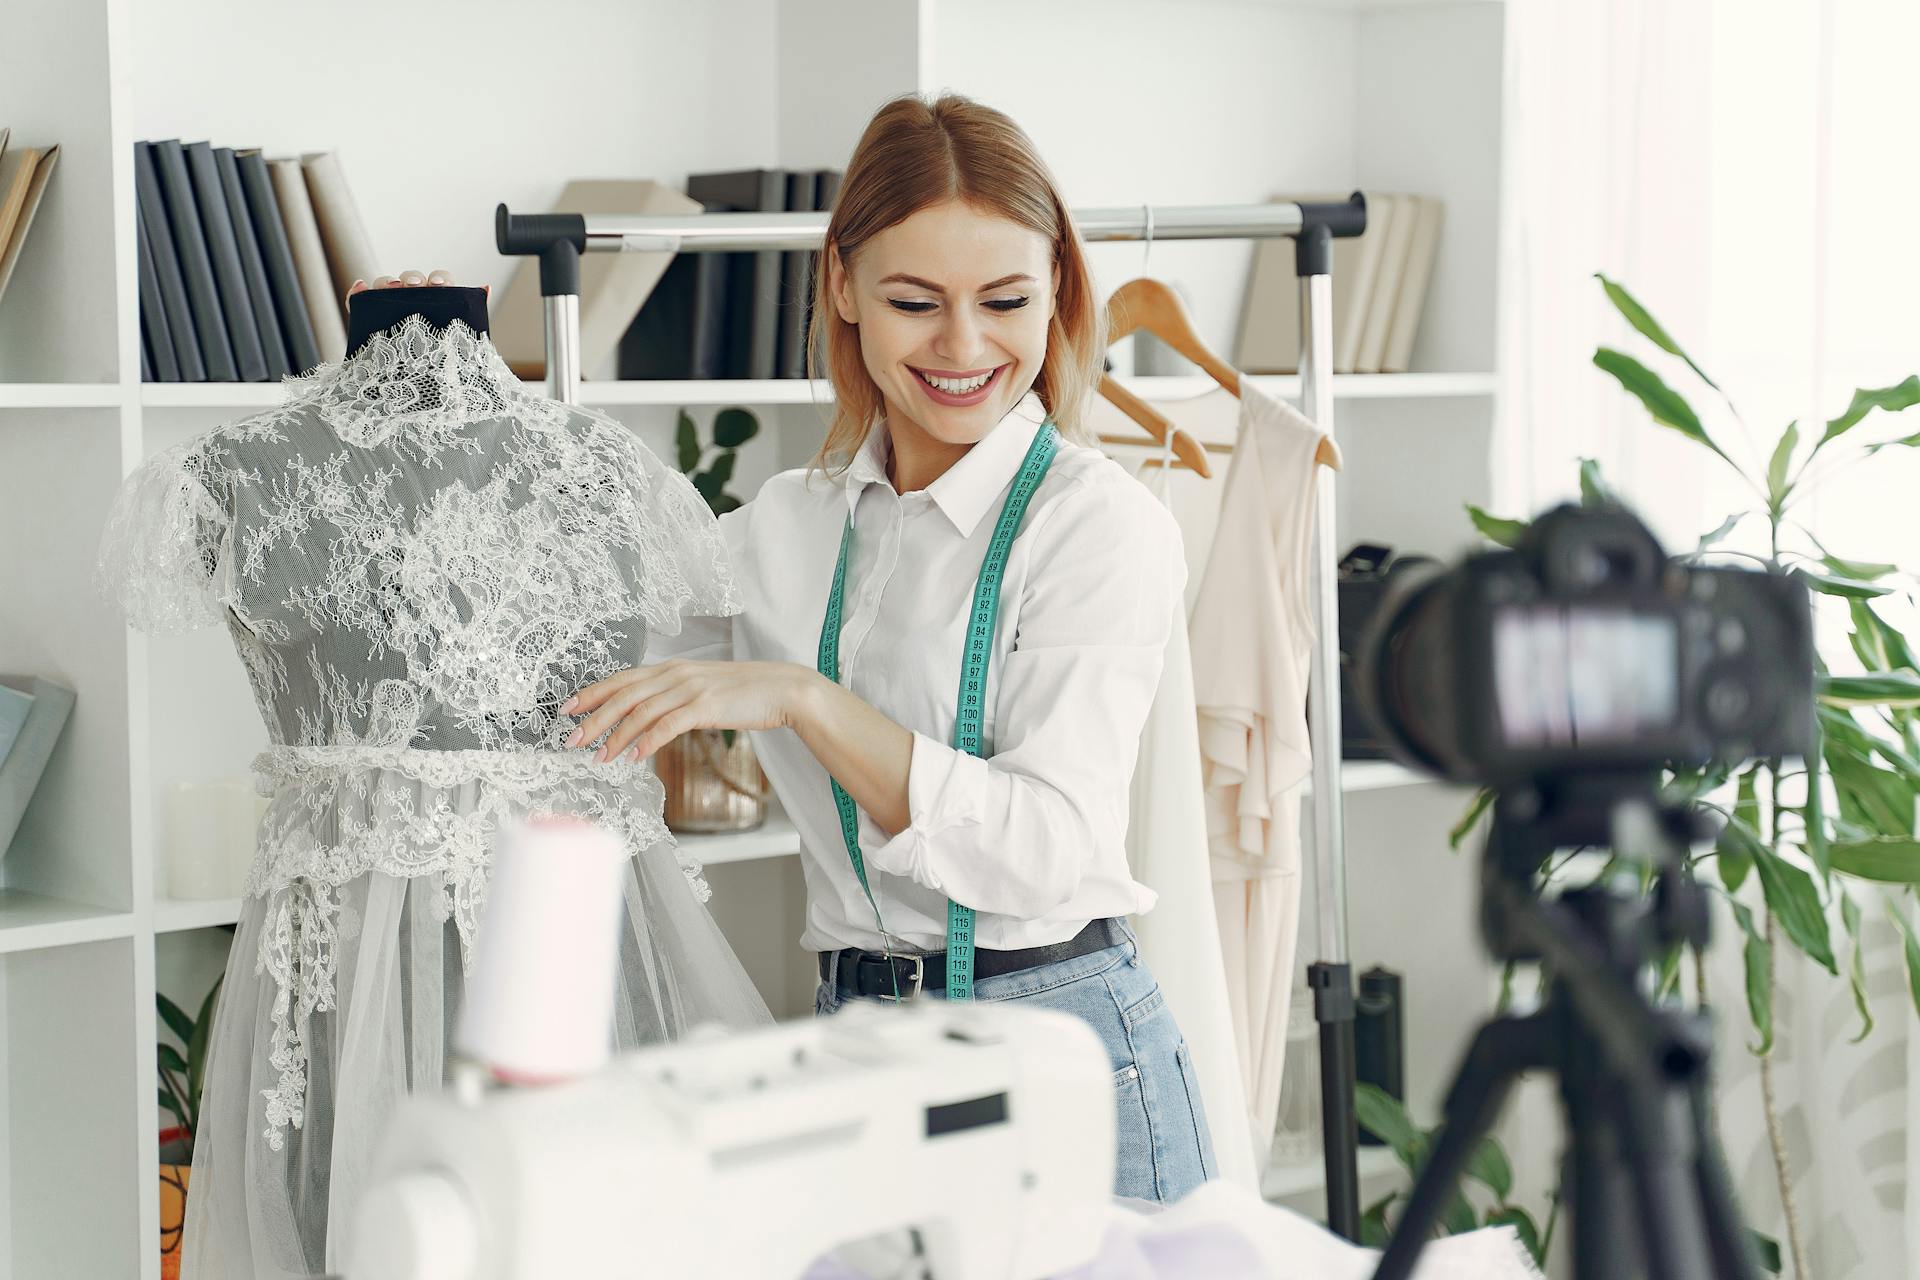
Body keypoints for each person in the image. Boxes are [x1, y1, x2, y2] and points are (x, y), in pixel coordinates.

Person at [567, 93, 1216, 1202]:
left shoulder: (1096, 526)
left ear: (1057, 287)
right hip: (854, 1045)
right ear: (842, 289)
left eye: (1006, 299)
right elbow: (572, 623)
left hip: (1056, 1052)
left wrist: (806, 700)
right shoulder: (785, 523)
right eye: (915, 301)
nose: (964, 346)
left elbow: (1048, 847)